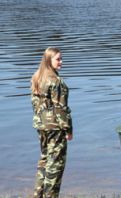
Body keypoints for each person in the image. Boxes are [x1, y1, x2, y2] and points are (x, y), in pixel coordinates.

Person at [30, 47, 73, 197]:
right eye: (58, 59)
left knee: (44, 161)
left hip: (41, 126)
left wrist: (42, 120)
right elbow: (61, 108)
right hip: (56, 128)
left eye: (61, 58)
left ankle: (37, 195)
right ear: (49, 61)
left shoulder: (37, 77)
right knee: (55, 166)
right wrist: (68, 130)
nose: (61, 62)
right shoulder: (56, 81)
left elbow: (35, 104)